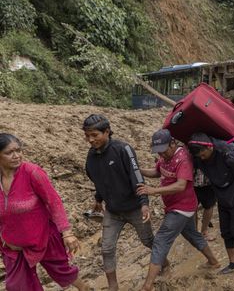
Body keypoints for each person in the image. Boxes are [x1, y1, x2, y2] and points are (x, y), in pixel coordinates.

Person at [0, 133, 89, 291]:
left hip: (44, 237)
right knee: (17, 286)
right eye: (9, 152)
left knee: (62, 272)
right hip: (13, 246)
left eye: (18, 150)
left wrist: (67, 233)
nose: (16, 155)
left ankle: (85, 289)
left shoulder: (32, 172)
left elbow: (54, 202)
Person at [136, 129, 219, 291]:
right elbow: (157, 171)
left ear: (173, 144)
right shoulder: (164, 157)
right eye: (158, 152)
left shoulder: (183, 158)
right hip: (176, 206)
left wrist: (153, 191)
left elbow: (181, 185)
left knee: (160, 240)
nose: (162, 155)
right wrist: (138, 171)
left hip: (182, 207)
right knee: (192, 235)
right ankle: (214, 262)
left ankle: (147, 286)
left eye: (164, 151)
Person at [82, 114, 154, 291]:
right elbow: (98, 181)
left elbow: (136, 177)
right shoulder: (91, 157)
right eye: (87, 136)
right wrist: (98, 200)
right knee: (106, 248)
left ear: (107, 132)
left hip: (135, 208)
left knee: (149, 241)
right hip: (113, 212)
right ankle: (113, 287)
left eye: (94, 135)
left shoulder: (123, 149)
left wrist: (144, 203)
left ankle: (164, 264)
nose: (90, 140)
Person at [188, 132, 234, 274]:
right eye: (199, 157)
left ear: (209, 148)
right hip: (222, 196)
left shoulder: (225, 150)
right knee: (226, 232)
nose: (201, 159)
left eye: (203, 155)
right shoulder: (198, 156)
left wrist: (230, 154)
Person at [194, 168, 216, 241]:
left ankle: (204, 231)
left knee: (209, 206)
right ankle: (194, 232)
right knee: (192, 207)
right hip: (192, 182)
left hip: (209, 182)